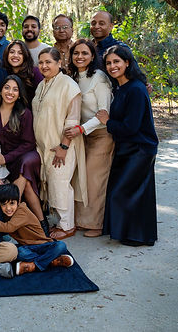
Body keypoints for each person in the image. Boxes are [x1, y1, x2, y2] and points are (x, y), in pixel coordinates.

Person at [96, 45, 158, 246]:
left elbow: (131, 127)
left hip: (140, 148)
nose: (112, 66)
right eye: (108, 63)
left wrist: (107, 122)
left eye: (117, 61)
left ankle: (137, 235)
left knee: (126, 192)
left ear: (127, 63)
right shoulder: (121, 87)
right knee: (130, 192)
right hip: (126, 147)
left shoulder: (136, 89)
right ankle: (130, 233)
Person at [32, 47, 87, 241]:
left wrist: (64, 146)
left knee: (60, 183)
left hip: (62, 146)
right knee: (51, 183)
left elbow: (73, 119)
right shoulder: (42, 85)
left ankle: (67, 226)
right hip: (45, 146)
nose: (44, 66)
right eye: (41, 62)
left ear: (59, 63)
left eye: (48, 62)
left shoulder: (69, 85)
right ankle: (59, 221)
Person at [66, 40, 114, 238]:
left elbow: (104, 113)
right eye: (76, 53)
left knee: (95, 180)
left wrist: (81, 129)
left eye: (85, 53)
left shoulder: (99, 77)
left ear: (93, 56)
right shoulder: (72, 78)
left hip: (101, 134)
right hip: (82, 135)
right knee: (81, 178)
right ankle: (80, 220)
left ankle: (98, 224)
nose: (80, 57)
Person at [0, 75, 44, 232]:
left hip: (23, 156)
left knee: (26, 164)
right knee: (27, 184)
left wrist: (6, 158)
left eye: (15, 89)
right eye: (7, 88)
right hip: (0, 158)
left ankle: (12, 218)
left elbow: (29, 143)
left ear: (19, 95)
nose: (10, 92)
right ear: (1, 90)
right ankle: (41, 224)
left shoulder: (25, 113)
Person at [0, 184, 74, 276]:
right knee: (19, 252)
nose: (8, 208)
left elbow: (8, 227)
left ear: (18, 201)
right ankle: (51, 261)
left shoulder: (22, 211)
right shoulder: (5, 214)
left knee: (61, 245)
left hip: (42, 244)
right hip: (27, 247)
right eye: (4, 204)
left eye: (12, 203)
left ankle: (34, 265)